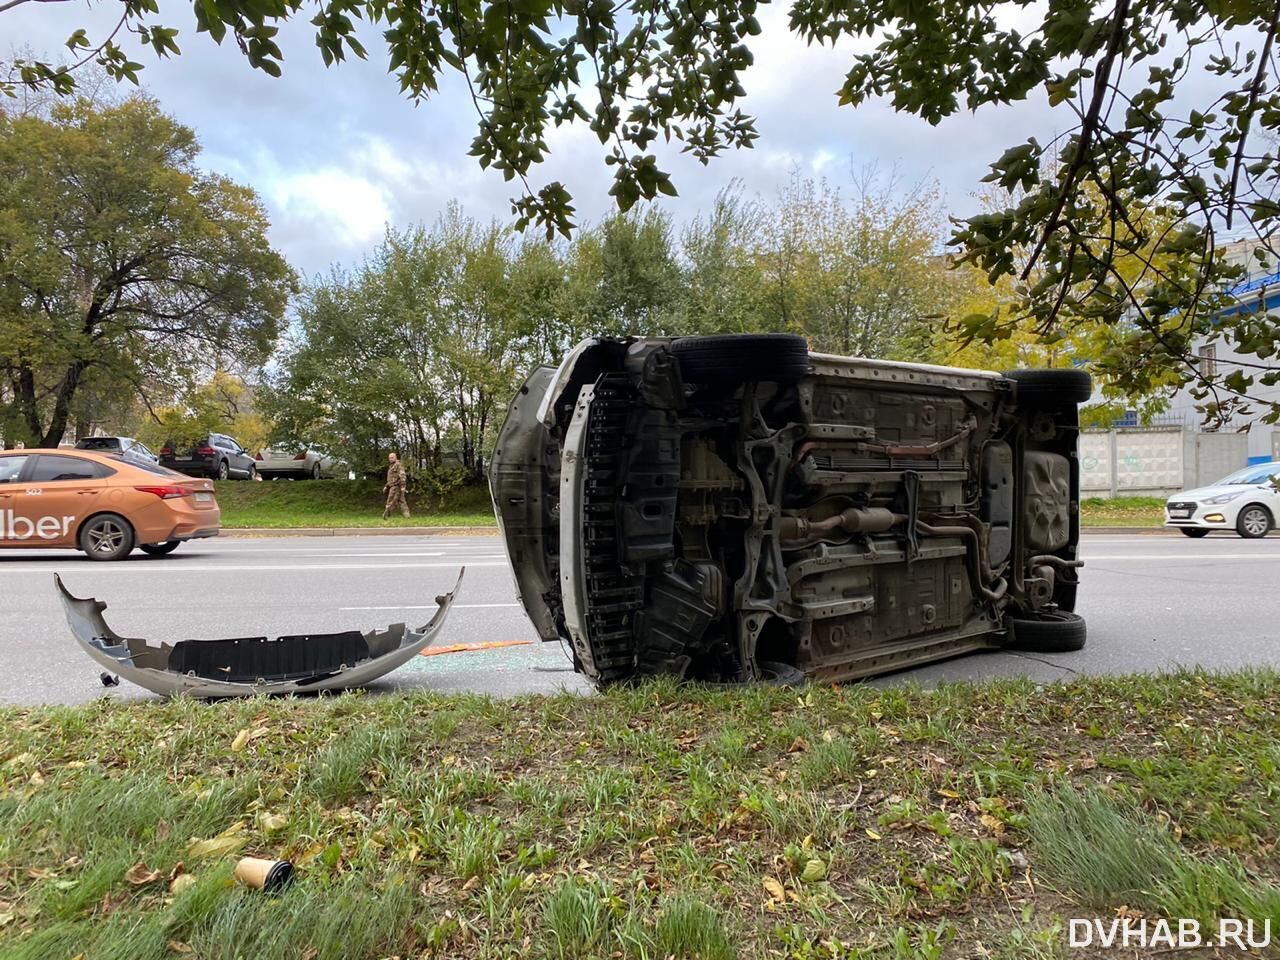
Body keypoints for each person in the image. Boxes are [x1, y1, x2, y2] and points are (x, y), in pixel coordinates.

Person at [382, 452, 410, 519]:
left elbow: (402, 476)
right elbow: (390, 478)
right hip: (392, 486)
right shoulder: (391, 466)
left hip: (396, 487)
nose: (390, 459)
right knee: (402, 501)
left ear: (395, 457)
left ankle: (385, 516)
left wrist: (403, 486)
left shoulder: (398, 465)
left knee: (390, 501)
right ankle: (407, 516)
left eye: (392, 457)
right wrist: (386, 486)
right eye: (389, 458)